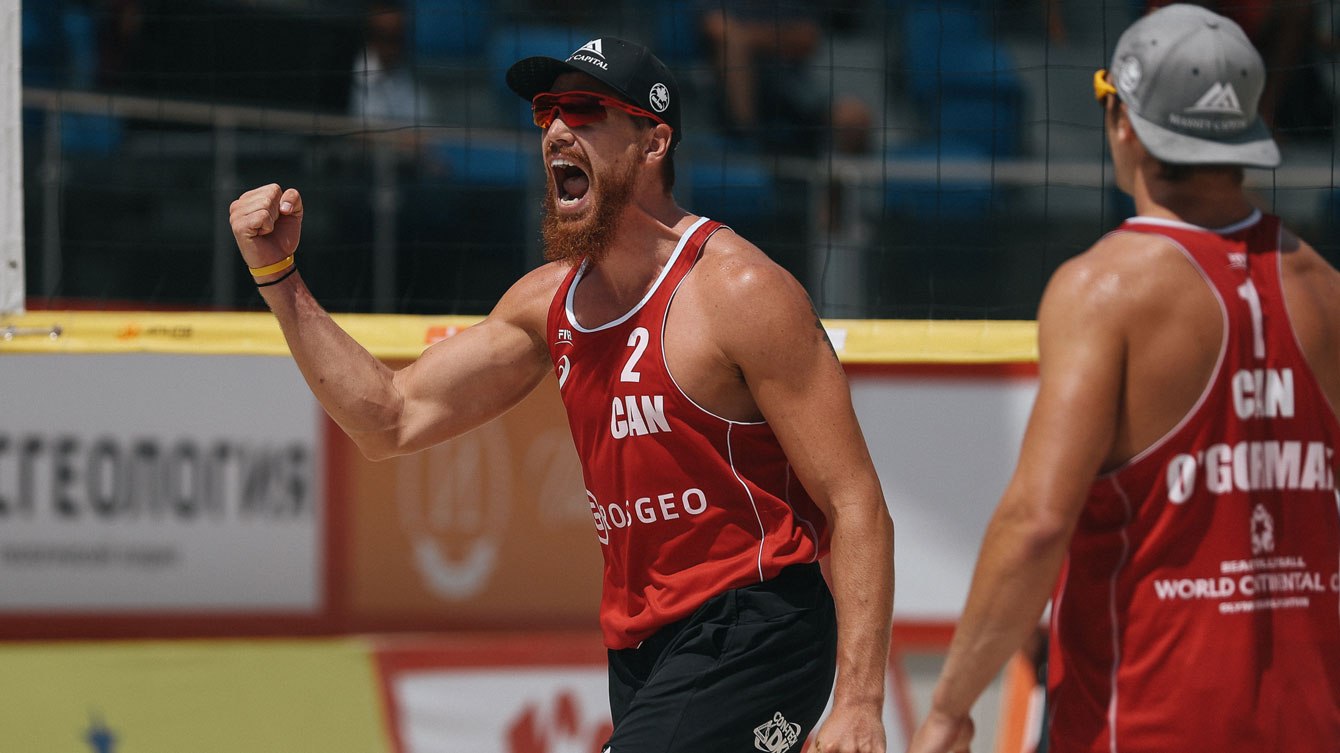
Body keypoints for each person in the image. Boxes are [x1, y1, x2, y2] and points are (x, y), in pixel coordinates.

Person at [229, 36, 894, 753]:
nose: (554, 129)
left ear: (653, 141)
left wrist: (859, 702)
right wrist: (280, 279)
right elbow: (388, 418)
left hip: (758, 627)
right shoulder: (550, 302)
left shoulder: (739, 292)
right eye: (547, 110)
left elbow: (856, 502)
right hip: (641, 647)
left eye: (584, 110)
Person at [908, 5, 1340, 752]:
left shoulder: (1104, 288)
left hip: (1145, 715)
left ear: (1125, 123)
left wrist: (949, 706)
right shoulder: (1325, 286)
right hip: (1309, 717)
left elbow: (1038, 521)